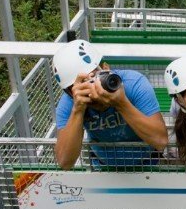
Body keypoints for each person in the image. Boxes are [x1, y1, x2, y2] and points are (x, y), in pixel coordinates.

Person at [53, 39, 168, 169]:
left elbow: (161, 141)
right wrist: (78, 110)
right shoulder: (70, 103)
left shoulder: (133, 83)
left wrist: (121, 103)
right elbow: (64, 162)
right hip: (103, 166)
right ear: (69, 92)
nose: (92, 92)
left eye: (92, 78)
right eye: (80, 86)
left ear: (106, 68)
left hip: (148, 162)